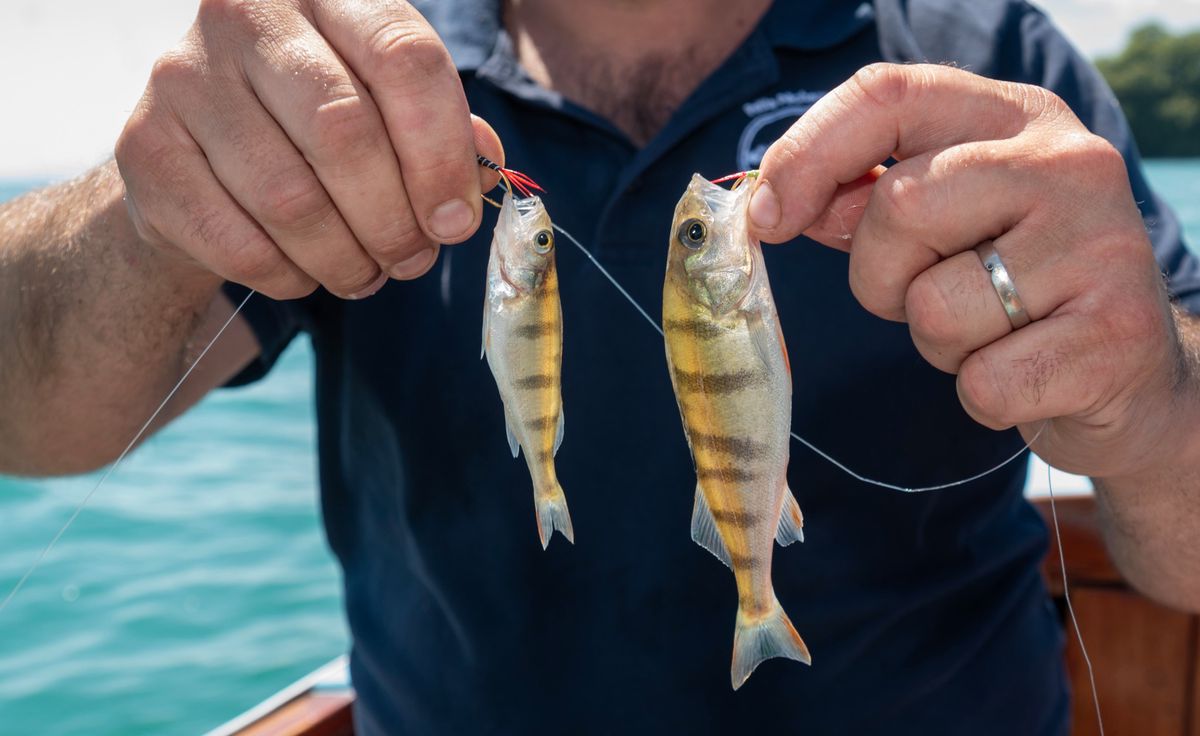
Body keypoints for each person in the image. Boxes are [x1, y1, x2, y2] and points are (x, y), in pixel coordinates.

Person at [2, 0, 1198, 732]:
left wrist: (1153, 399)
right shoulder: (346, 78)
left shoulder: (990, 54)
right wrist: (147, 218)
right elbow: (25, 416)